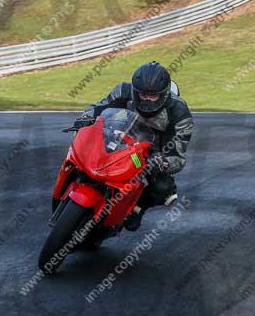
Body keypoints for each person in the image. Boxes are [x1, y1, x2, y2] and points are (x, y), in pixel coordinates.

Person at [74, 61, 194, 231]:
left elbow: (178, 155)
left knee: (164, 189)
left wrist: (164, 162)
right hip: (120, 135)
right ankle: (75, 178)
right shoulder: (124, 90)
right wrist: (85, 118)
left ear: (164, 94)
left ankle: (138, 209)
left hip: (151, 154)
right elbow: (99, 107)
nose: (147, 100)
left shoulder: (180, 112)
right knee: (83, 143)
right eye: (143, 94)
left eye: (153, 96)